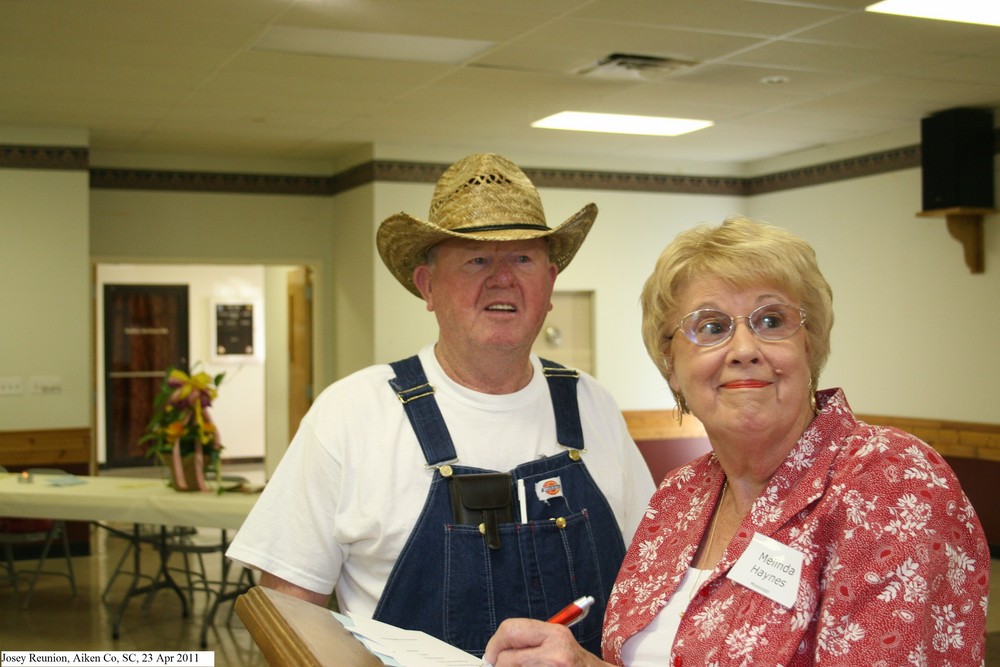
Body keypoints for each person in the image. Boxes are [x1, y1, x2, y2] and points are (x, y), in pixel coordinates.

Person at [483, 216, 990, 666]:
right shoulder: (679, 496)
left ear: (809, 347)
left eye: (772, 321)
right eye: (711, 326)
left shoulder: (889, 483)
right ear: (672, 367)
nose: (744, 348)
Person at [226, 153, 655, 656]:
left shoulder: (591, 403)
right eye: (476, 259)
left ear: (551, 281)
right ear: (427, 287)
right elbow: (288, 616)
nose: (502, 279)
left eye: (523, 259)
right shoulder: (351, 414)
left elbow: (649, 582)